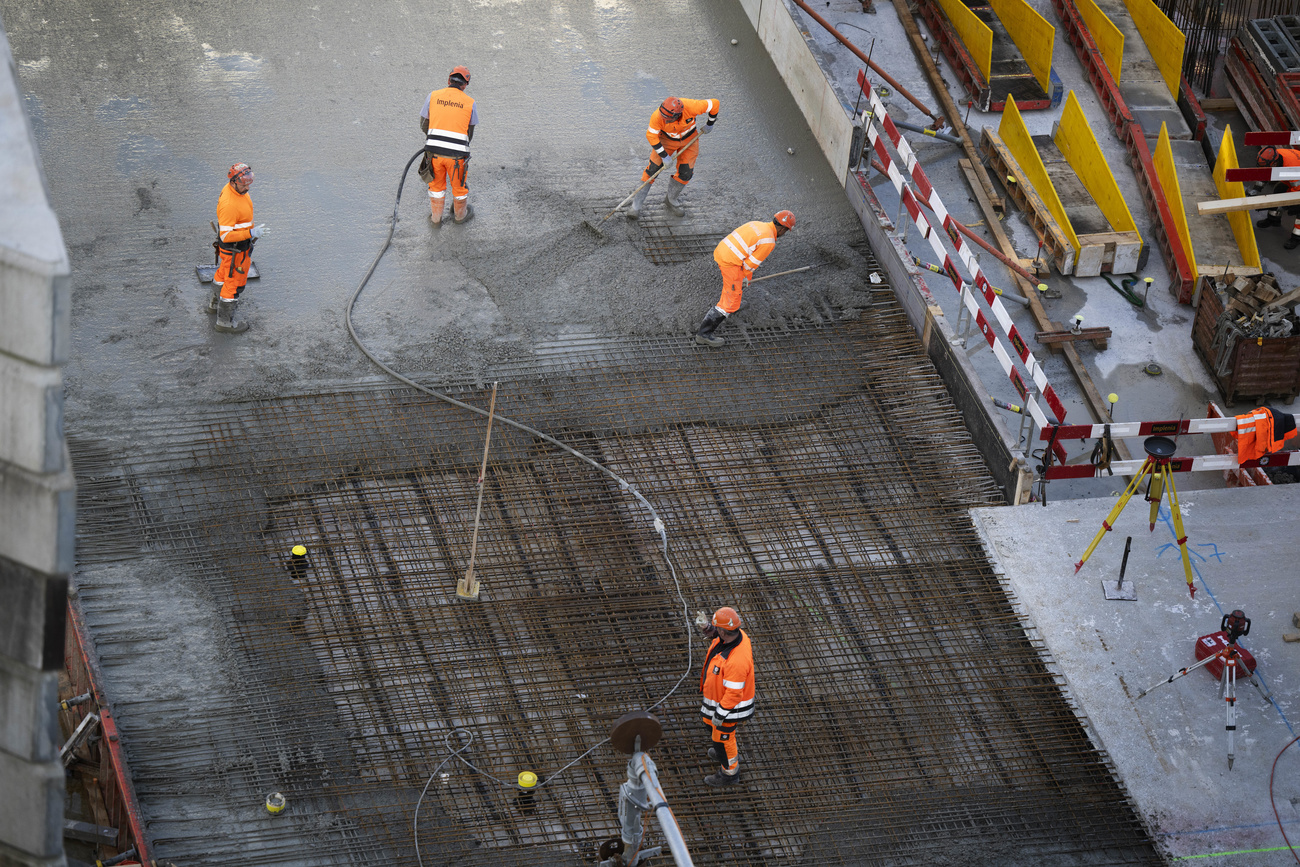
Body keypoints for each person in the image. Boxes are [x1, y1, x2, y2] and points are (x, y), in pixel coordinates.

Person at [694, 211, 795, 347]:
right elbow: (749, 265)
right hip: (730, 262)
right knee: (730, 300)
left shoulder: (758, 224)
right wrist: (742, 279)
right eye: (786, 231)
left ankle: (734, 302)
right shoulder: (769, 241)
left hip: (722, 250)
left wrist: (744, 279)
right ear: (783, 229)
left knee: (739, 286)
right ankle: (703, 335)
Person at [628, 96, 720, 219]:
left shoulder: (692, 106)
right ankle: (636, 206)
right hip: (666, 140)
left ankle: (671, 200)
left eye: (667, 119)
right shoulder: (657, 116)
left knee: (686, 173)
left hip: (689, 139)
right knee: (652, 171)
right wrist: (664, 156)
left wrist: (710, 124)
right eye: (663, 117)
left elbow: (714, 104)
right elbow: (651, 136)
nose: (664, 121)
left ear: (677, 115)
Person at [699, 606, 754, 787]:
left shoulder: (737, 661)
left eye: (716, 627)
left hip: (730, 709)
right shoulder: (736, 635)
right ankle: (721, 748)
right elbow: (719, 636)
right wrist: (708, 628)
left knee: (723, 739)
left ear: (724, 630)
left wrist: (720, 714)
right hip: (717, 701)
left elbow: (734, 694)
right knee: (714, 731)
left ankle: (729, 773)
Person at [209, 163, 266, 334]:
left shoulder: (236, 191)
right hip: (235, 250)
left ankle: (214, 305)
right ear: (233, 181)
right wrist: (251, 232)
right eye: (243, 182)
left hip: (232, 250)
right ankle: (225, 323)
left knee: (222, 274)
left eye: (249, 181)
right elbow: (226, 236)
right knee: (234, 283)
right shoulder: (229, 204)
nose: (247, 185)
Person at [420, 65, 477, 225]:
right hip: (457, 157)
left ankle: (436, 219)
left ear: (448, 80)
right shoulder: (470, 103)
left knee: (436, 188)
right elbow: (469, 133)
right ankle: (460, 217)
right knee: (459, 189)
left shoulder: (433, 96)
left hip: (434, 153)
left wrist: (435, 139)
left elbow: (424, 124)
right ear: (465, 85)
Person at [1254, 145, 1300, 249]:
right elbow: (1266, 173)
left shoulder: (1293, 169)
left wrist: (1285, 205)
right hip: (1294, 181)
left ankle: (1297, 237)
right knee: (1279, 190)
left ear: (1274, 163)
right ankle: (1273, 219)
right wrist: (1256, 188)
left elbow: (1296, 193)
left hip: (1298, 186)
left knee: (1298, 210)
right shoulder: (1273, 156)